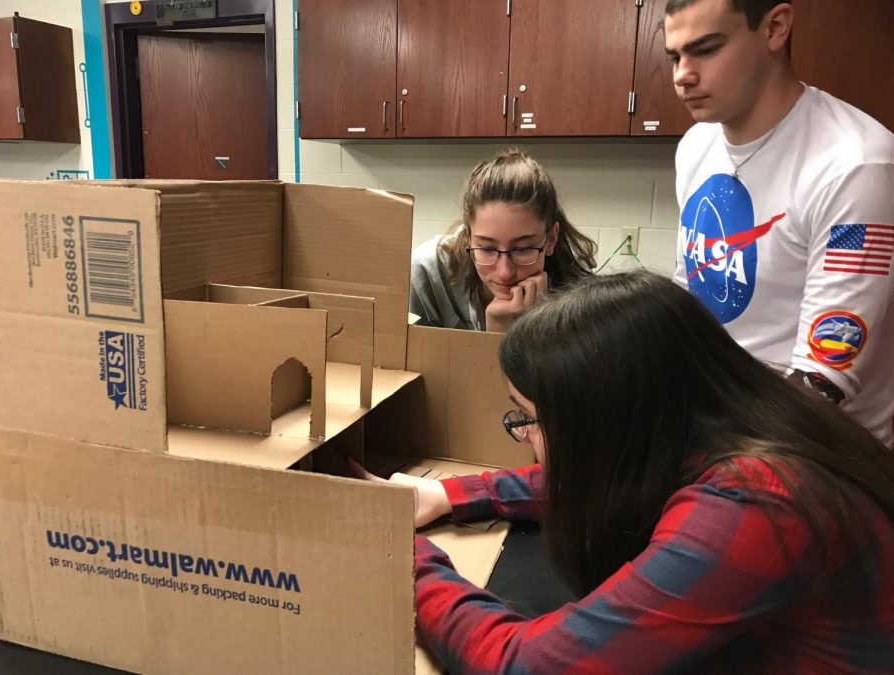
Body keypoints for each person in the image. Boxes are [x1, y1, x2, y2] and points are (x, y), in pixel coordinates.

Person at [357, 271, 894, 673]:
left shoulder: (754, 508)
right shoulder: (740, 422)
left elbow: (527, 667)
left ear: (609, 421)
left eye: (531, 420)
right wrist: (450, 495)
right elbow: (613, 469)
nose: (526, 440)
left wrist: (407, 559)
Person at [666, 0, 894, 448]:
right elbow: (687, 295)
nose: (682, 75)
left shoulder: (855, 166)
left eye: (706, 50)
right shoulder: (696, 145)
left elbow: (825, 377)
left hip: (823, 454)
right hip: (718, 426)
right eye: (675, 56)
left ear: (774, 29)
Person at [409, 149, 596, 333]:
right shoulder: (428, 271)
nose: (505, 273)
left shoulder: (575, 284)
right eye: (487, 248)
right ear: (467, 239)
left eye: (522, 249)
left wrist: (521, 331)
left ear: (550, 240)